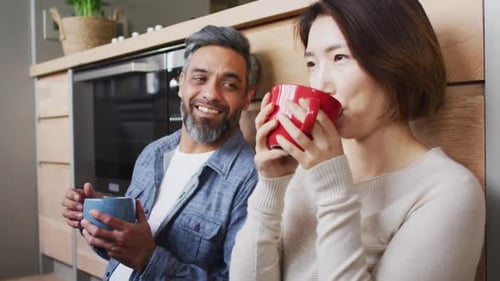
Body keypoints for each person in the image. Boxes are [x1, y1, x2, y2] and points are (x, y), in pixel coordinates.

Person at [229, 0, 485, 280]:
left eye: (340, 58)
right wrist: (270, 187)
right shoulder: (307, 167)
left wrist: (334, 191)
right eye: (312, 63)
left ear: (398, 62)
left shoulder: (448, 191)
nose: (321, 84)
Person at [62, 25, 259, 280]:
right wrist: (99, 221)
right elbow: (122, 256)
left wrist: (149, 259)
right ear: (181, 83)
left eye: (229, 84)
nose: (211, 94)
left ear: (246, 97)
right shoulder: (152, 154)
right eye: (200, 78)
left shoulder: (250, 180)